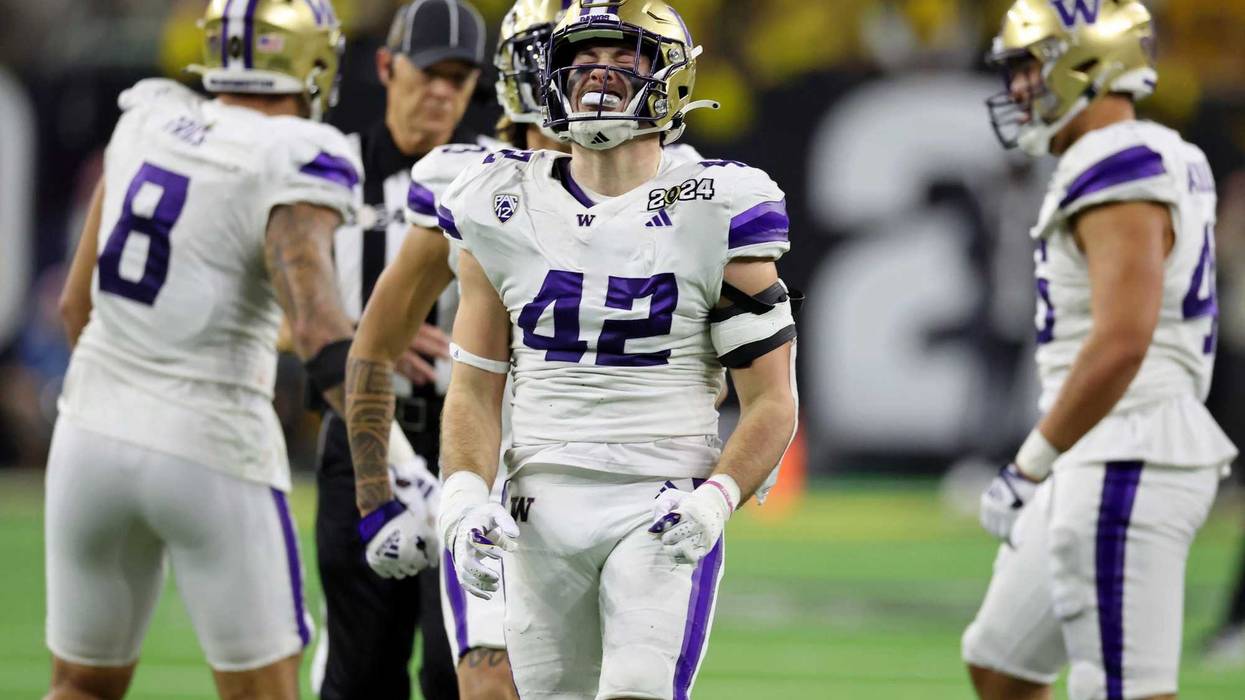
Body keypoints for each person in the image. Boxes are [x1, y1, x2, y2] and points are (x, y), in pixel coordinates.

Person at [349, 1, 798, 697]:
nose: (600, 78)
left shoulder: (717, 205)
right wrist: (466, 496)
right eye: (584, 61)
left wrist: (716, 498)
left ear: (672, 79)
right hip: (535, 504)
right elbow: (472, 386)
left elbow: (771, 401)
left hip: (660, 498)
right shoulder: (498, 202)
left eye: (625, 60)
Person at [45, 1, 361, 698]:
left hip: (88, 432)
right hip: (211, 440)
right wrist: (387, 475)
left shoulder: (146, 118)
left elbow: (76, 305)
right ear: (309, 59)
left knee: (81, 686)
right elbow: (318, 334)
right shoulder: (297, 151)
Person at [962, 2, 1237, 699]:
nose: (1017, 87)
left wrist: (1030, 462)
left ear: (1082, 63)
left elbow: (1121, 340)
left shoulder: (1116, 161)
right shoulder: (1151, 151)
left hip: (1127, 444)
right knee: (1000, 660)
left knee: (1120, 685)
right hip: (1102, 440)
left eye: (1028, 67)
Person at [308, 1, 493, 698]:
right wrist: (367, 338)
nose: (443, 92)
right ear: (387, 68)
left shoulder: (489, 178)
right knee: (359, 676)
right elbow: (269, 312)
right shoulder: (330, 169)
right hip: (362, 445)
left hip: (465, 450)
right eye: (429, 73)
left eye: (459, 77)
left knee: (458, 670)